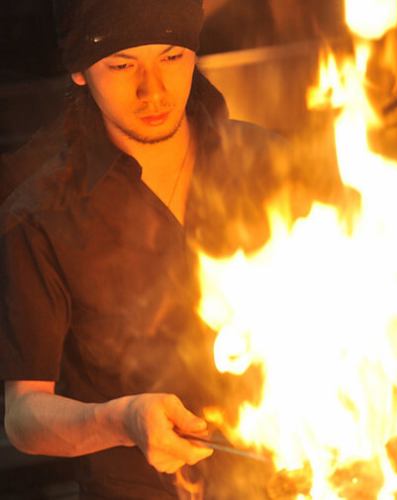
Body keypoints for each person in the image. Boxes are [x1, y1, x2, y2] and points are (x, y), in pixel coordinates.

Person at [0, 0, 286, 497]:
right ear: (80, 72)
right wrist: (121, 420)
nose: (152, 90)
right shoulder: (41, 216)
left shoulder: (272, 164)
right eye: (122, 64)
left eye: (172, 57)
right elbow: (23, 415)